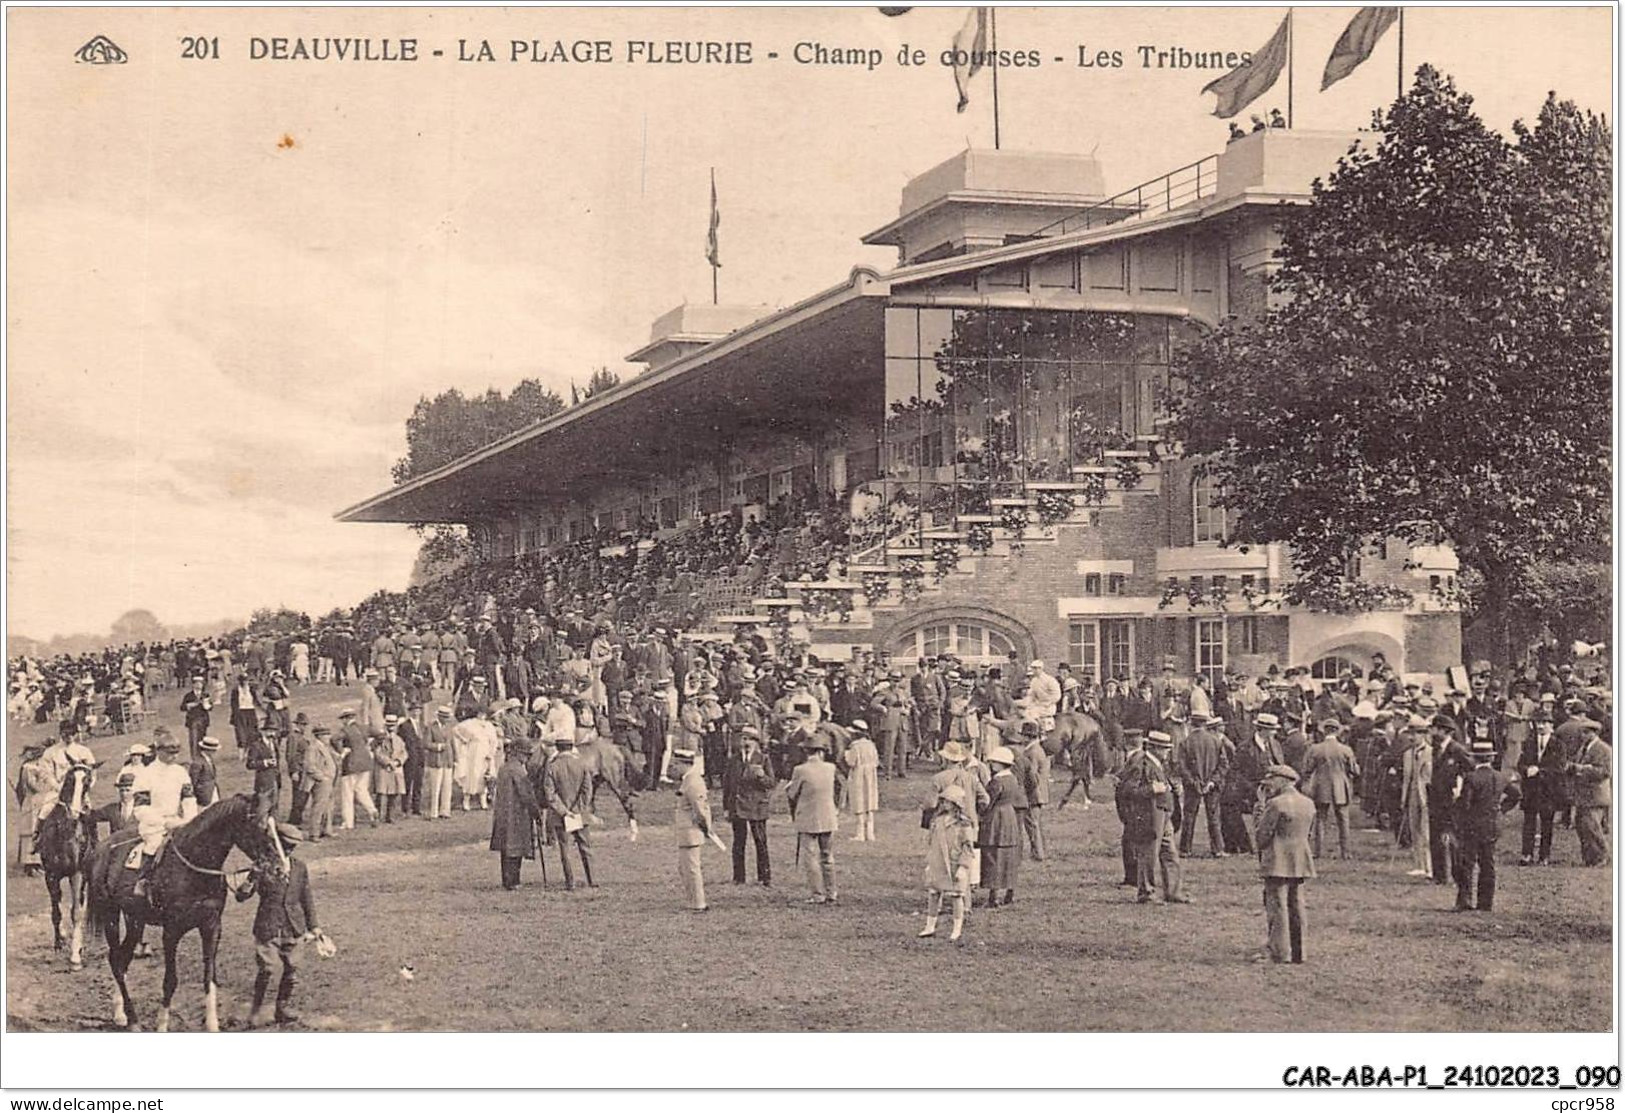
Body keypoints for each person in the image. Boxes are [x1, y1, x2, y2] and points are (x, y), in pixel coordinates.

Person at [238, 822, 322, 1027]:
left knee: (292, 969)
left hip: (293, 926)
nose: (288, 851)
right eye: (285, 846)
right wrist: (252, 878)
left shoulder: (299, 867)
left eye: (292, 847)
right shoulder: (263, 867)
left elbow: (306, 897)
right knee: (267, 969)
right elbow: (242, 896)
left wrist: (314, 926)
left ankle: (282, 1008)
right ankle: (255, 1010)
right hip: (269, 926)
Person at [1119, 730, 1188, 905]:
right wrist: (1151, 789)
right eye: (1164, 748)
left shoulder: (1157, 763)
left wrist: (1172, 788)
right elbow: (1127, 790)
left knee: (1170, 853)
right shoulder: (1140, 764)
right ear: (1155, 748)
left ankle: (1173, 891)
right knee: (1148, 854)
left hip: (1163, 814)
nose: (1167, 752)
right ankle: (1146, 892)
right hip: (1149, 815)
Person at [1255, 764, 1315, 964]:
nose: (1268, 786)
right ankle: (1300, 952)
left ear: (1282, 780)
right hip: (1300, 859)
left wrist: (1259, 810)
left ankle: (1279, 952)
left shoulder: (1276, 804)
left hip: (1278, 860)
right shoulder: (1308, 803)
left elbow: (1261, 836)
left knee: (1277, 906)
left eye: (1271, 781)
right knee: (1297, 904)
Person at [1454, 738, 1519, 911]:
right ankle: (1485, 902)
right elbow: (1516, 795)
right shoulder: (1500, 777)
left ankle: (1464, 900)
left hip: (1472, 825)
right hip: (1492, 824)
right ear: (1490, 758)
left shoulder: (1471, 778)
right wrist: (1501, 809)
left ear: (1474, 759)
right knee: (1487, 864)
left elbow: (1465, 805)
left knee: (1467, 863)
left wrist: (1457, 803)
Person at [785, 732, 840, 904]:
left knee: (810, 857)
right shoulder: (830, 768)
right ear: (822, 752)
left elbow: (792, 794)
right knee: (827, 856)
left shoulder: (800, 770)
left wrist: (789, 787)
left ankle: (817, 894)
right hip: (828, 816)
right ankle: (832, 892)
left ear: (806, 752)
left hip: (808, 817)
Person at [919, 783, 975, 943]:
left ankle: (956, 928)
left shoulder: (964, 824)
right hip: (937, 862)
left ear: (956, 804)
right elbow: (931, 842)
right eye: (943, 801)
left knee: (957, 897)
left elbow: (968, 847)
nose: (944, 805)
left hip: (954, 863)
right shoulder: (937, 821)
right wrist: (929, 861)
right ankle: (930, 925)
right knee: (933, 894)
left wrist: (963, 867)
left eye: (948, 802)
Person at [542, 731, 596, 890]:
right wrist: (578, 809)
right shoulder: (582, 764)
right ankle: (592, 879)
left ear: (557, 748)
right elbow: (587, 790)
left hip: (561, 815)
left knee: (565, 849)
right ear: (571, 747)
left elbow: (550, 794)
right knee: (585, 847)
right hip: (579, 813)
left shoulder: (552, 766)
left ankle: (570, 882)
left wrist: (565, 811)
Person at [1302, 719, 1360, 860]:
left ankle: (1318, 851)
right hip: (1340, 786)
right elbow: (1355, 771)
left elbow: (1307, 769)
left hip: (1321, 786)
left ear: (1324, 730)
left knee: (1320, 819)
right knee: (1343, 819)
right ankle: (1346, 852)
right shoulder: (1346, 749)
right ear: (1337, 730)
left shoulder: (1315, 749)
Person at [723, 725, 773, 886]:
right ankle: (739, 877)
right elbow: (727, 785)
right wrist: (726, 807)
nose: (746, 742)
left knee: (760, 841)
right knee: (738, 842)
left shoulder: (763, 759)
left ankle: (764, 877)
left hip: (757, 806)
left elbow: (771, 783)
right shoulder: (733, 760)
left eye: (750, 739)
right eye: (743, 738)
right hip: (738, 806)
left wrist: (762, 776)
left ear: (756, 742)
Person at [979, 745, 1028, 908]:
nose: (992, 765)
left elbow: (987, 802)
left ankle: (993, 897)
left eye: (994, 762)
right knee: (1009, 856)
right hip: (1009, 816)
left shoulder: (996, 782)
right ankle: (1010, 892)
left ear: (1000, 764)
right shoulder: (1013, 779)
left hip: (996, 818)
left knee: (993, 855)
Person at [490, 738, 543, 890]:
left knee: (506, 849)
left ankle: (507, 880)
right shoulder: (518, 770)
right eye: (526, 755)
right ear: (519, 754)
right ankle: (514, 881)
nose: (527, 758)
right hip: (517, 815)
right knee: (516, 848)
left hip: (503, 814)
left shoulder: (504, 768)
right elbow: (526, 795)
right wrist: (536, 812)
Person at [671, 745, 716, 911]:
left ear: (685, 763)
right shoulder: (688, 780)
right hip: (686, 832)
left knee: (691, 868)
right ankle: (693, 901)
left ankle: (698, 903)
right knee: (685, 868)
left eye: (675, 764)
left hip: (691, 831)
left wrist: (705, 827)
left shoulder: (693, 781)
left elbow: (700, 809)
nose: (673, 768)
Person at [1178, 713, 1229, 858]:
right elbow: (1224, 765)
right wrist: (1213, 781)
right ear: (1205, 724)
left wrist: (1193, 782)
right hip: (1212, 784)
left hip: (1192, 785)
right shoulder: (1215, 741)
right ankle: (1218, 849)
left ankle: (1185, 849)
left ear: (1191, 724)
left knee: (1189, 817)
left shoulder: (1186, 742)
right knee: (1213, 816)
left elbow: (1182, 767)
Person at [1518, 710, 1564, 864]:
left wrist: (1539, 771)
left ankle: (1544, 855)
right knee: (1529, 822)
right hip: (1531, 789)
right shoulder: (1529, 742)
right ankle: (1526, 854)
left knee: (1547, 824)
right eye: (1538, 723)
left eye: (1544, 723)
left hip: (1548, 790)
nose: (1541, 726)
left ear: (1551, 726)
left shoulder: (1558, 745)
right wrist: (1526, 770)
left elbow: (1559, 767)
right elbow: (1520, 764)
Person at [1569, 721, 1612, 866]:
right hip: (1583, 795)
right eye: (1582, 732)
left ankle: (1602, 856)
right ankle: (1590, 858)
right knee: (1582, 827)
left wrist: (1582, 769)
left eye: (1585, 732)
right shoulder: (1583, 748)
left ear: (1594, 733)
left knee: (1593, 828)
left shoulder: (1604, 749)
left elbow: (1605, 772)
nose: (1582, 735)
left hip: (1595, 795)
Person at [1398, 715, 1433, 877]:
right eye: (1411, 734)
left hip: (1426, 796)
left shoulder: (1432, 752)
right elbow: (1406, 778)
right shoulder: (1407, 754)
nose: (1413, 737)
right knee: (1415, 831)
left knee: (1426, 832)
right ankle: (1418, 864)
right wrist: (1403, 799)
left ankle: (1429, 867)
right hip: (1412, 795)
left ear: (1424, 734)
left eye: (1417, 733)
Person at [335, 710, 379, 830]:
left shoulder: (345, 730)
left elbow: (333, 739)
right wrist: (371, 747)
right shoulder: (364, 728)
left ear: (345, 719)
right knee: (361, 790)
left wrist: (342, 751)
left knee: (348, 794)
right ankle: (372, 810)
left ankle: (348, 822)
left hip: (351, 764)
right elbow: (381, 735)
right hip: (366, 763)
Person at [1014, 721, 1049, 861]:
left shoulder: (1032, 752)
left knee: (1032, 824)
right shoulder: (1036, 749)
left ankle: (1038, 853)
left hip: (1034, 793)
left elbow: (1031, 775)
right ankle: (1039, 851)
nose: (1021, 739)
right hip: (1039, 792)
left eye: (1023, 736)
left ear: (1028, 737)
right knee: (1035, 824)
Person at [844, 718, 879, 842]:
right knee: (869, 801)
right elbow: (876, 761)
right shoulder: (871, 745)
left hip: (859, 774)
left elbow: (851, 762)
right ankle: (870, 832)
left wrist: (846, 754)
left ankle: (860, 833)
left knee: (859, 801)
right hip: (870, 775)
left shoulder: (855, 746)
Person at [302, 727, 338, 840]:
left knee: (328, 807)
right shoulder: (313, 747)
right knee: (319, 807)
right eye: (326, 735)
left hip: (329, 780)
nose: (328, 737)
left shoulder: (323, 747)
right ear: (319, 736)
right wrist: (322, 778)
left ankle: (326, 830)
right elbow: (309, 766)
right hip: (321, 782)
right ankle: (314, 833)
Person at [423, 705, 458, 820]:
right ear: (440, 716)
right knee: (436, 786)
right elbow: (427, 744)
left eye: (448, 717)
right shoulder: (431, 727)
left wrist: (455, 758)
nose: (447, 720)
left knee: (447, 786)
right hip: (436, 760)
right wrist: (438, 746)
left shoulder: (449, 727)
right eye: (445, 717)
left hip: (447, 759)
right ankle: (434, 811)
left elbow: (453, 743)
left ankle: (445, 811)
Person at [372, 717, 408, 823]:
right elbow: (377, 753)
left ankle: (390, 815)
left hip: (396, 768)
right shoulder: (379, 738)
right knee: (381, 792)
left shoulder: (398, 739)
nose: (391, 727)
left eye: (393, 725)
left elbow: (404, 753)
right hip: (383, 768)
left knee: (394, 792)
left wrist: (397, 762)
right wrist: (388, 762)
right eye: (389, 725)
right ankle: (377, 815)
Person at [180, 674, 212, 757]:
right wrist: (189, 705)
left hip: (203, 719)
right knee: (193, 739)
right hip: (192, 719)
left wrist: (207, 705)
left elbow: (210, 707)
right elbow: (182, 707)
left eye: (200, 683)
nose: (198, 685)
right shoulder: (188, 696)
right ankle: (194, 756)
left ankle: (202, 755)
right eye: (196, 683)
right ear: (193, 685)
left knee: (202, 738)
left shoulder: (205, 695)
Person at [189, 736, 222, 808]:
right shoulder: (198, 762)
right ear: (207, 750)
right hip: (203, 796)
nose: (215, 752)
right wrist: (199, 793)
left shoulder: (209, 760)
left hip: (212, 791)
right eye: (213, 750)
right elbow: (193, 780)